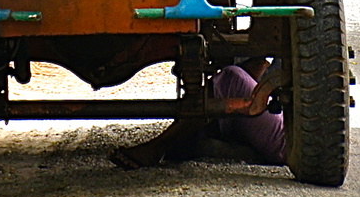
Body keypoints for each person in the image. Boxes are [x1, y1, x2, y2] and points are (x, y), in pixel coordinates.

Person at [110, 57, 285, 169]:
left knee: (231, 79)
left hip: (291, 138)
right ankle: (190, 142)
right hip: (294, 129)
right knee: (234, 84)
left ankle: (157, 148)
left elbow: (258, 67)